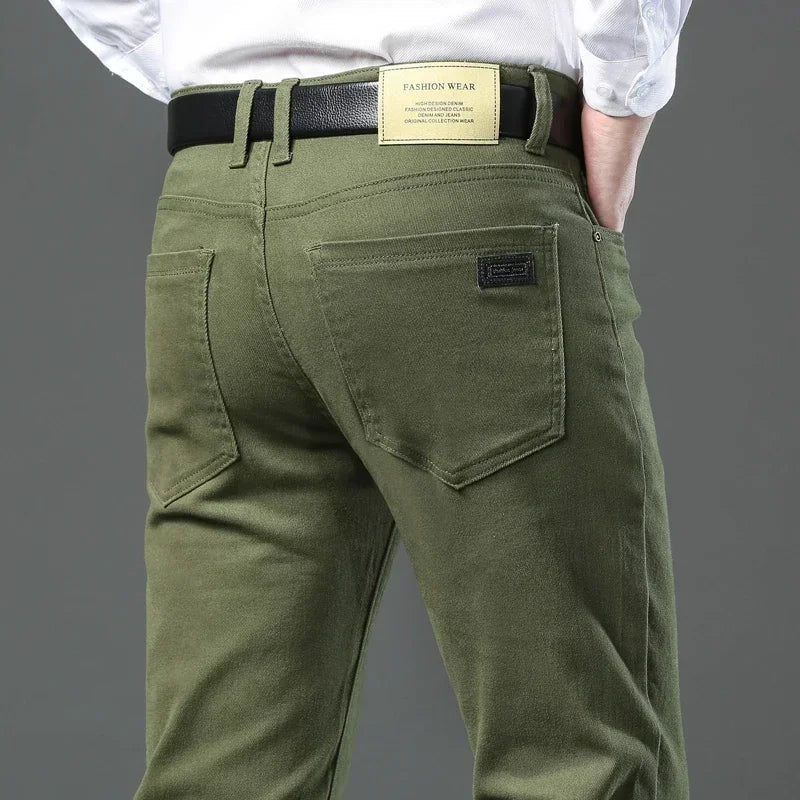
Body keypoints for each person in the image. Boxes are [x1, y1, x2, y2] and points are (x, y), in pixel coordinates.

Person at [47, 2, 694, 798]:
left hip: (212, 200)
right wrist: (623, 100)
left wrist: (224, 58)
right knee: (571, 756)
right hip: (451, 174)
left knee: (221, 771)